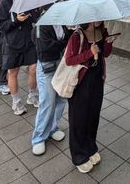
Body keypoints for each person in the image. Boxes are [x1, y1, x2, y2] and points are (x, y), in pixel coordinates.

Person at [65, 21, 115, 173]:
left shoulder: (102, 31)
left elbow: (105, 54)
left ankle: (90, 147)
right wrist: (89, 52)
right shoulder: (77, 36)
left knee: (93, 116)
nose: (98, 19)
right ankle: (79, 155)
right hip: (80, 83)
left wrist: (108, 43)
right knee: (79, 119)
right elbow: (69, 60)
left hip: (97, 80)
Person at [31, 21, 71, 156]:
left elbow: (66, 37)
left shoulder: (61, 23)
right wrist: (64, 42)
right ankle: (39, 137)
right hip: (46, 66)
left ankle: (53, 128)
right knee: (47, 102)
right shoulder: (41, 24)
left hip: (60, 63)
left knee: (61, 97)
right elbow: (44, 46)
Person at [0, 0, 38, 115]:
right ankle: (16, 101)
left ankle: (32, 95)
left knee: (34, 69)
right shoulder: (6, 3)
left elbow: (36, 18)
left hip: (29, 41)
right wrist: (16, 20)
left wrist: (31, 16)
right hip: (12, 43)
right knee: (13, 72)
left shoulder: (30, 2)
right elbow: (1, 25)